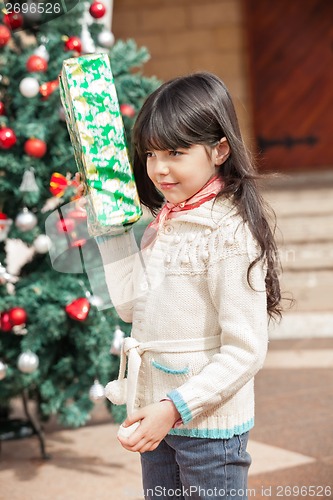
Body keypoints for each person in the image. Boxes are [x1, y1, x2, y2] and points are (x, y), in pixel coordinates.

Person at [77, 72, 281, 500]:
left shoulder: (228, 232)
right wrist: (110, 228)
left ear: (219, 149)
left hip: (207, 428)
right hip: (155, 417)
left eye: (175, 151)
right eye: (151, 153)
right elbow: (132, 307)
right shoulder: (164, 222)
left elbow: (245, 349)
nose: (159, 168)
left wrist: (173, 410)